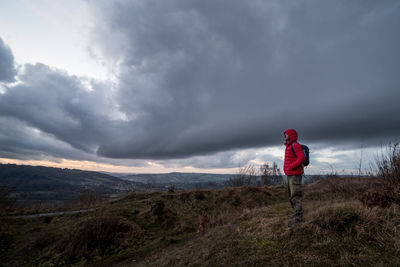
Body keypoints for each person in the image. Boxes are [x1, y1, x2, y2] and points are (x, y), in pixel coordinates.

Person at [283, 129, 306, 226]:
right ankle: (296, 215)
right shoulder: (288, 146)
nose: (285, 136)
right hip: (289, 174)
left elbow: (301, 158)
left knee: (295, 196)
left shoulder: (295, 145)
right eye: (284, 135)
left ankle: (298, 219)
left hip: (295, 175)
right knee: (291, 196)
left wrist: (291, 166)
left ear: (291, 135)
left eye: (286, 135)